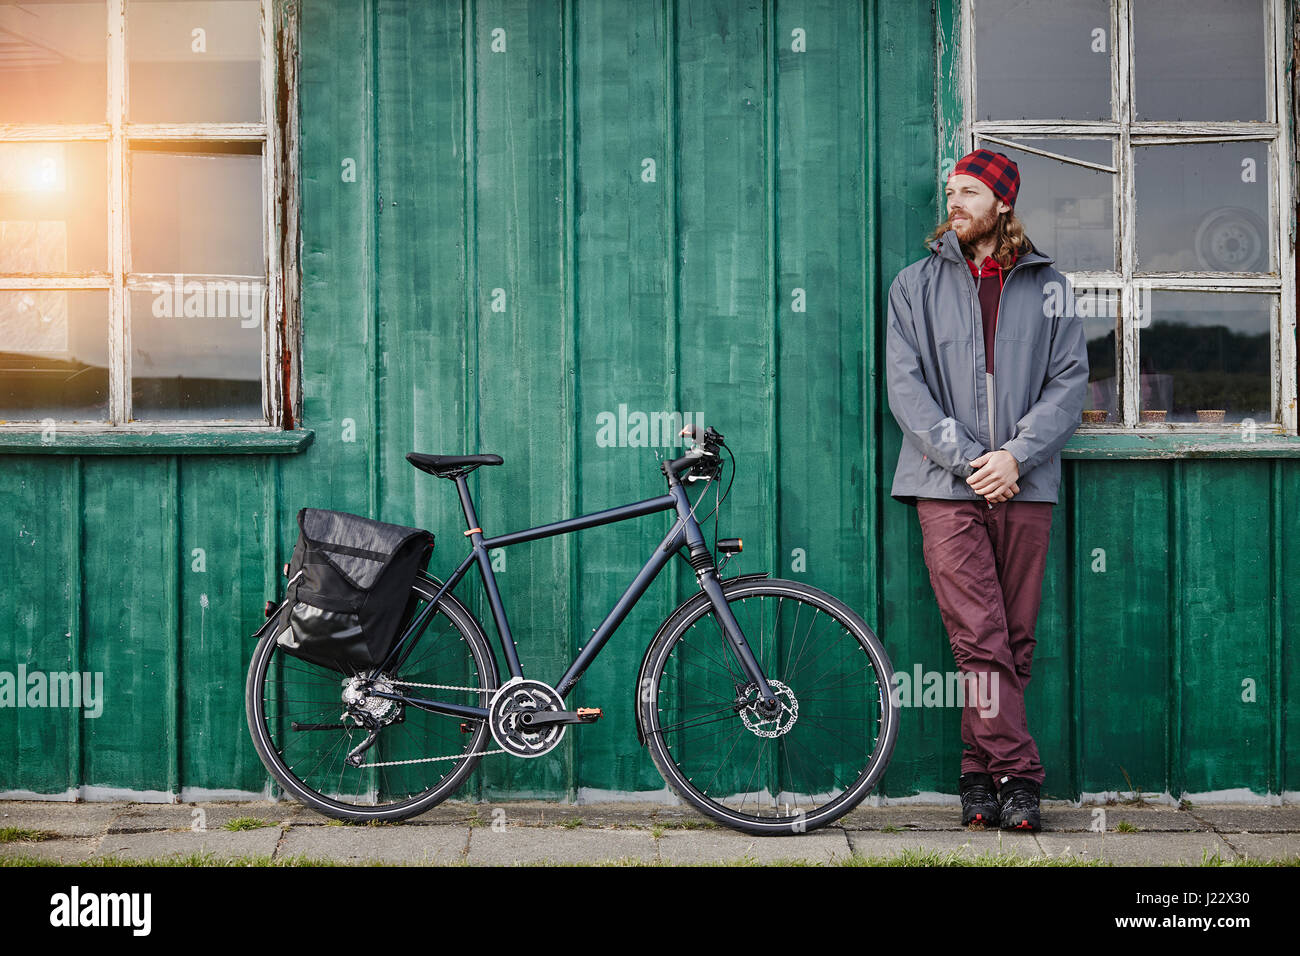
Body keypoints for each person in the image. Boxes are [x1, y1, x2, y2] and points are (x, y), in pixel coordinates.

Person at [884, 149, 1088, 831]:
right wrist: (977, 461)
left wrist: (1016, 458)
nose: (955, 203)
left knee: (1013, 640)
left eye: (969, 192)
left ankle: (979, 778)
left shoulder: (1050, 286)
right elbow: (906, 393)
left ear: (1004, 202)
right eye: (951, 191)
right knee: (979, 636)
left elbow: (1068, 386)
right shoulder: (913, 286)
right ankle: (1020, 777)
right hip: (945, 486)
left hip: (1025, 487)